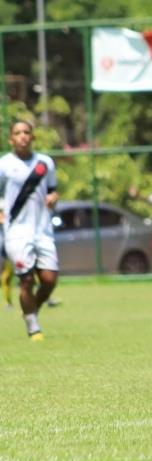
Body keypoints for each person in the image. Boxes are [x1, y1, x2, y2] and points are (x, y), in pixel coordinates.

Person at [0, 120, 59, 341]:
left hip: (43, 229)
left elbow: (52, 190)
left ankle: (31, 309)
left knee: (50, 280)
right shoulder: (4, 164)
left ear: (32, 137)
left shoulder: (45, 163)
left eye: (27, 132)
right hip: (16, 231)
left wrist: (53, 198)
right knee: (26, 280)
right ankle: (33, 327)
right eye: (18, 133)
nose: (23, 136)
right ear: (11, 139)